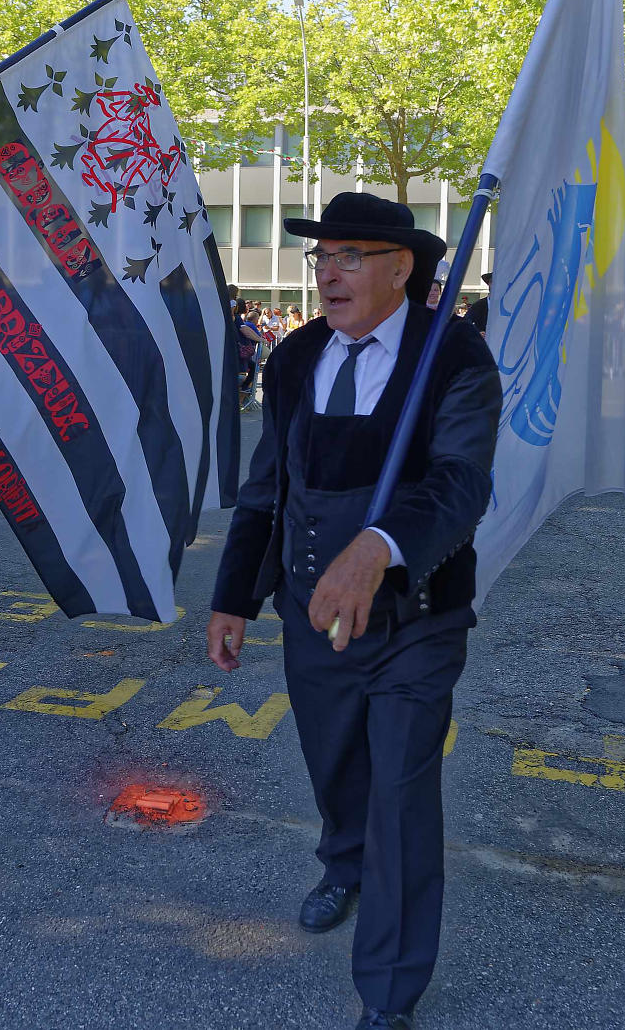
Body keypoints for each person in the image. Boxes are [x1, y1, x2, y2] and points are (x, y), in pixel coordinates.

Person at [207, 193, 499, 1030]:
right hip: (312, 613)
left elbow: (462, 483)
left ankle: (389, 991)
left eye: (348, 256)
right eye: (320, 257)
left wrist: (378, 547)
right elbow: (268, 486)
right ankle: (344, 863)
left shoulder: (455, 354)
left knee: (401, 797)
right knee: (336, 769)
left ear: (400, 267)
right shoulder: (296, 356)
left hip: (417, 620)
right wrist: (234, 596)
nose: (327, 273)